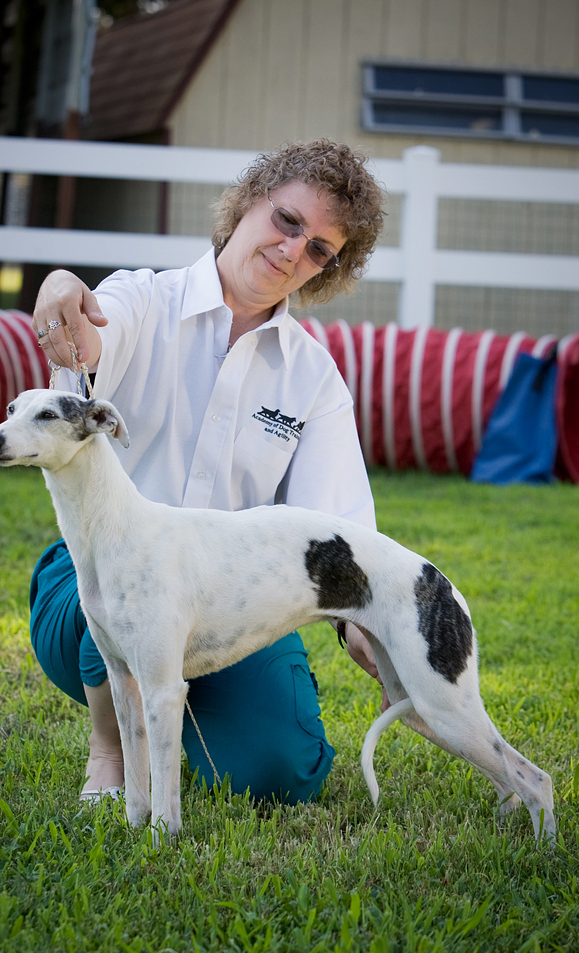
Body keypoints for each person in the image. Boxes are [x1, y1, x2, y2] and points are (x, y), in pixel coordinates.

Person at [30, 138, 387, 806]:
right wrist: (59, 290)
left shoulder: (312, 377)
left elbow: (334, 527)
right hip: (98, 587)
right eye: (287, 221)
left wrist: (361, 621)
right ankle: (110, 752)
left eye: (318, 249)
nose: (291, 251)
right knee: (131, 587)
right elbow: (86, 346)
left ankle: (184, 711)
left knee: (280, 774)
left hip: (228, 600)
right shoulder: (142, 298)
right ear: (249, 201)